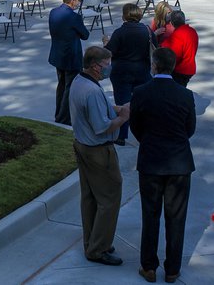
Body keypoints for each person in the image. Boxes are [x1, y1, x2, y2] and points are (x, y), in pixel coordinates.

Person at [129, 47, 195, 284]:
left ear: (154, 65)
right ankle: (172, 269)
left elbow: (135, 125)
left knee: (150, 215)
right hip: (179, 163)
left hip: (151, 162)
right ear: (173, 67)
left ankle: (148, 266)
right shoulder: (185, 95)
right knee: (176, 218)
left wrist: (149, 140)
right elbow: (190, 129)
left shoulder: (141, 92)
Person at [69, 46, 130, 267]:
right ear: (95, 66)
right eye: (107, 64)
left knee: (90, 197)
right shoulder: (92, 91)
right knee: (109, 198)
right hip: (98, 152)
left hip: (83, 146)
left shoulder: (79, 81)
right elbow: (102, 127)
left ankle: (92, 241)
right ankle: (98, 248)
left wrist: (114, 108)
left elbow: (93, 110)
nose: (109, 68)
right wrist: (124, 117)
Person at [105, 3, 154, 145]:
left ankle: (121, 135)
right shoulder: (147, 31)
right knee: (142, 104)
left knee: (122, 103)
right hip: (142, 72)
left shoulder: (119, 32)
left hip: (122, 73)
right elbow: (155, 47)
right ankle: (145, 132)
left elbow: (108, 52)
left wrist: (106, 42)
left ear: (124, 16)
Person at [49, 0, 91, 126]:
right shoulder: (74, 17)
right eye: (78, 0)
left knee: (61, 86)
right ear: (72, 1)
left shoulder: (53, 12)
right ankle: (63, 118)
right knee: (70, 88)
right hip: (71, 57)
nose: (79, 3)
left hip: (58, 55)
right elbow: (85, 35)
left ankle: (59, 114)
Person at [161, 11, 198, 87]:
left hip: (180, 70)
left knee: (176, 89)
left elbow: (175, 56)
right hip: (190, 67)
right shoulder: (192, 31)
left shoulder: (178, 35)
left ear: (172, 22)